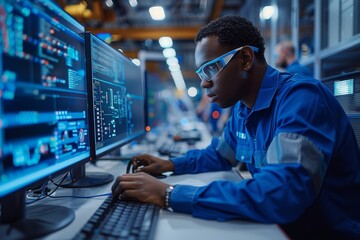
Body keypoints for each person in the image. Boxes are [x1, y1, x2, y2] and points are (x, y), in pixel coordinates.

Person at [111, 15, 360, 239]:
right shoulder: (244, 110)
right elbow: (219, 154)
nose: (205, 83)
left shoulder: (302, 99)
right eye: (200, 73)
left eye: (212, 68)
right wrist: (170, 164)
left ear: (245, 58)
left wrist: (168, 194)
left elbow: (282, 194)